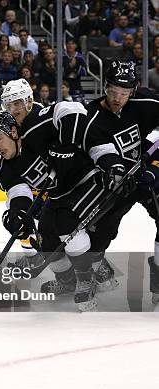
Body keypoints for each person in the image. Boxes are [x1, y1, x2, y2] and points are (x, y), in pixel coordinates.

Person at [0, 100, 112, 311]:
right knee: (44, 237)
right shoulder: (6, 168)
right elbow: (19, 192)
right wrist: (18, 213)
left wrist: (67, 143)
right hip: (59, 195)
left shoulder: (37, 129)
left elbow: (72, 108)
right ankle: (68, 280)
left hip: (87, 180)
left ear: (13, 131)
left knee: (65, 223)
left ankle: (86, 279)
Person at [81, 61, 159, 307]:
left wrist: (153, 163)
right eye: (113, 91)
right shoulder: (91, 115)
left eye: (124, 94)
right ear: (105, 86)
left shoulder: (143, 105)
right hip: (114, 183)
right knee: (100, 231)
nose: (117, 98)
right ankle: (89, 273)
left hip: (146, 178)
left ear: (133, 91)